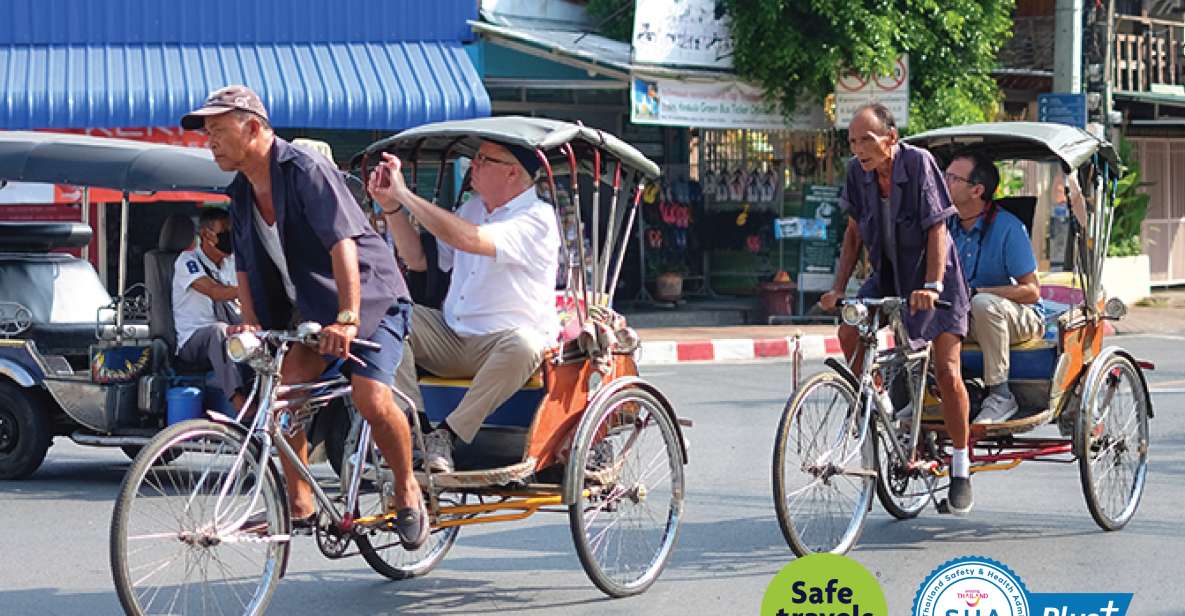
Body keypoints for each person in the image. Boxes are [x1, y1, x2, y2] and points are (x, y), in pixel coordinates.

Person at [180, 85, 428, 548]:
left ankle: (407, 487)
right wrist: (250, 323)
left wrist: (349, 317)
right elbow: (245, 264)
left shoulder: (304, 169)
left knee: (371, 398)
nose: (209, 141)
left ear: (252, 128)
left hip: (371, 299)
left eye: (217, 130)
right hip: (313, 309)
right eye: (206, 132)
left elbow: (342, 243)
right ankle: (299, 503)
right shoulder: (240, 190)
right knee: (283, 396)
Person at [367, 140, 560, 474]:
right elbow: (417, 259)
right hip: (452, 333)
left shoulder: (537, 218)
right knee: (385, 313)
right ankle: (415, 429)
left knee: (526, 344)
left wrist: (406, 196)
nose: (474, 166)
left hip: (504, 344)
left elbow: (468, 239)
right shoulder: (472, 208)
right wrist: (391, 207)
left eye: (484, 160)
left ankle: (449, 435)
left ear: (512, 172)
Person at [819, 103, 975, 515]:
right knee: (849, 330)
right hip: (888, 277)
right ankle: (880, 403)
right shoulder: (858, 173)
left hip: (936, 282)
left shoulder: (919, 163)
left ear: (890, 138)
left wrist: (933, 284)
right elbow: (853, 234)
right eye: (852, 142)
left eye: (866, 140)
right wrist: (837, 289)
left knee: (946, 370)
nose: (858, 150)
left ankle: (961, 466)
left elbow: (937, 228)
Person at [944, 151, 1044, 424]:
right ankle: (923, 392)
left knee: (982, 304)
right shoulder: (944, 226)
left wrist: (981, 293)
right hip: (967, 318)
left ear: (976, 190)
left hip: (1019, 317)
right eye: (945, 175)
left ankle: (1000, 395)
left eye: (953, 178)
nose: (944, 182)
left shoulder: (1008, 228)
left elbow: (1032, 292)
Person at [172, 207, 251, 411]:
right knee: (218, 331)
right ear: (207, 235)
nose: (230, 237)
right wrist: (247, 291)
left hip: (229, 334)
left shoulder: (231, 263)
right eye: (225, 232)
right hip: (193, 341)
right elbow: (215, 291)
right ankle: (238, 402)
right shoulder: (187, 261)